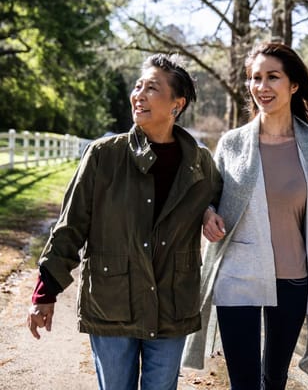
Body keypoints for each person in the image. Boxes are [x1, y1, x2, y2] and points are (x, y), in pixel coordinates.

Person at [27, 53, 222, 390]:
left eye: (152, 88)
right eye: (138, 86)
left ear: (177, 104)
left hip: (172, 304)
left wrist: (209, 210)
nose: (139, 95)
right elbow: (71, 225)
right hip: (112, 302)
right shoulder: (104, 155)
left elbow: (221, 196)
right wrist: (45, 292)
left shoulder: (199, 163)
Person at [183, 42, 308, 389]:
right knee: (243, 381)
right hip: (238, 276)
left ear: (294, 84)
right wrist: (207, 214)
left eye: (273, 77)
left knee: (274, 379)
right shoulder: (232, 144)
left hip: (293, 280)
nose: (262, 87)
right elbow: (207, 197)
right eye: (255, 78)